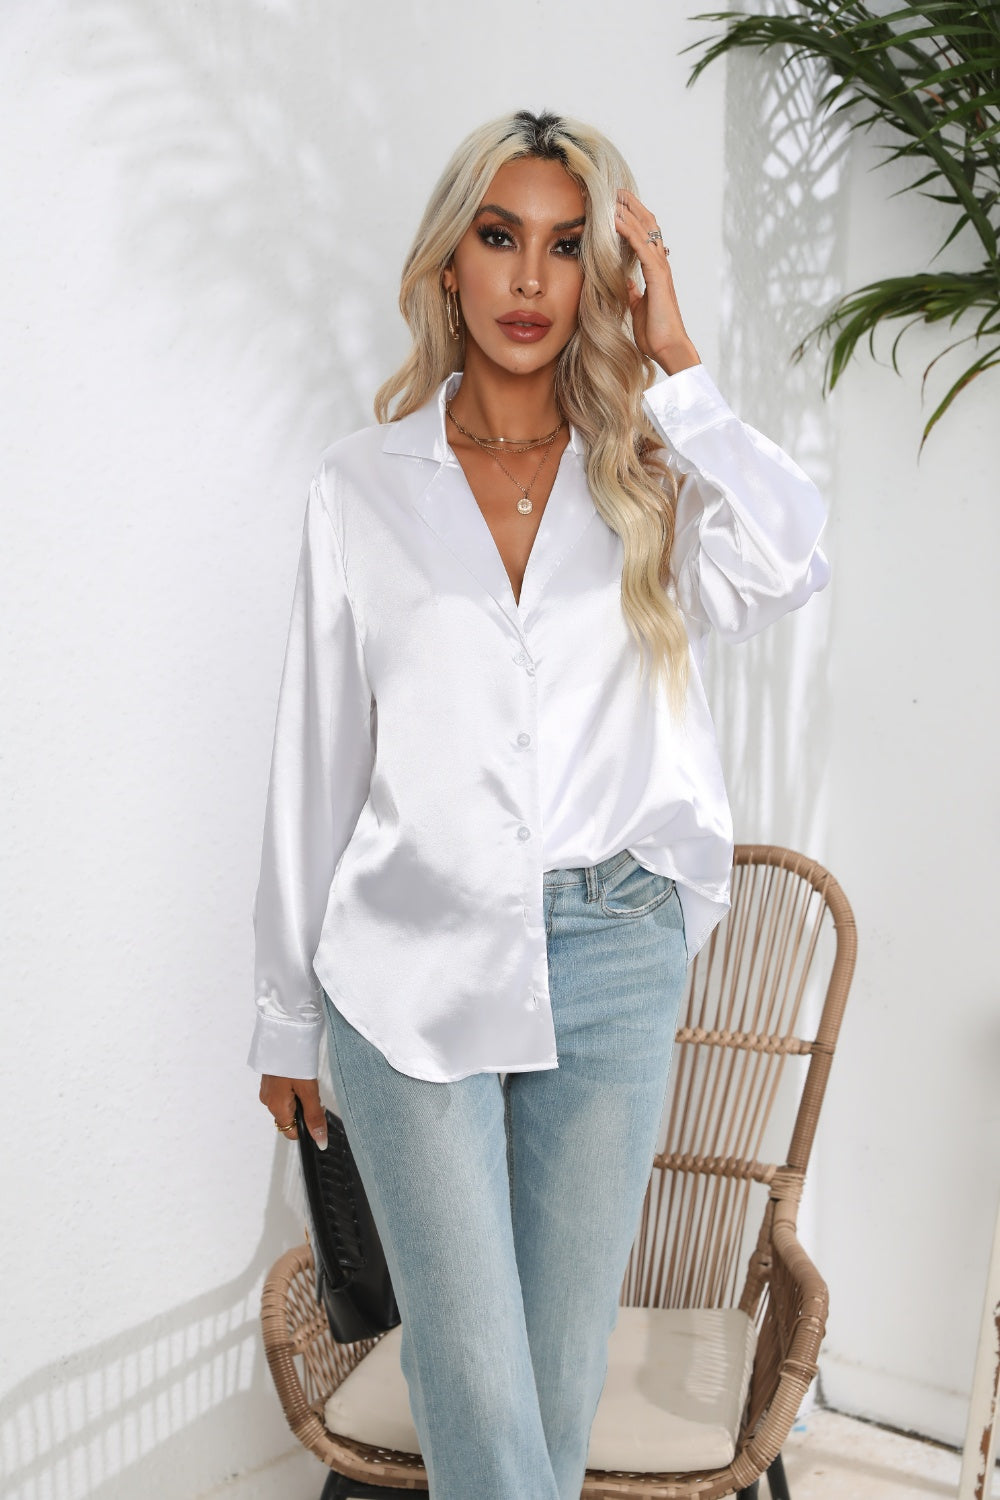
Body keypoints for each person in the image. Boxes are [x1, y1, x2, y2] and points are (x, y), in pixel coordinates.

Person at [248, 109, 829, 1500]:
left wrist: (679, 358)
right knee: (481, 1396)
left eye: (567, 248)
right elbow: (317, 759)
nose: (528, 278)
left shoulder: (649, 476)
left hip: (616, 954)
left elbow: (792, 556)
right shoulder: (361, 487)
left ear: (600, 279)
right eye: (499, 238)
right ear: (447, 264)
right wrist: (283, 1014)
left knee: (552, 1402)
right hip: (406, 960)